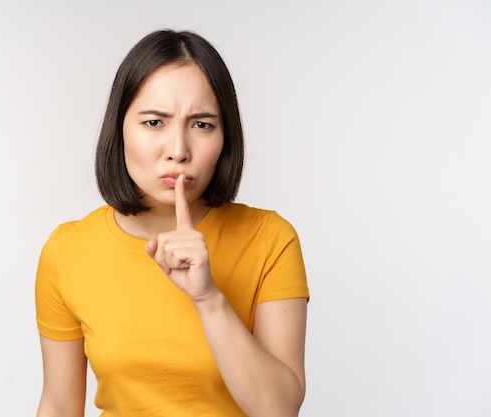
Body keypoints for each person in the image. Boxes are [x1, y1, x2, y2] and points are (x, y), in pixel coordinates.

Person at [35, 29, 309, 417]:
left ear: (225, 136)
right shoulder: (67, 250)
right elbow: (60, 405)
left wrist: (209, 300)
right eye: (153, 122)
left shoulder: (269, 239)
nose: (178, 151)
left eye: (202, 124)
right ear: (120, 128)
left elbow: (279, 409)